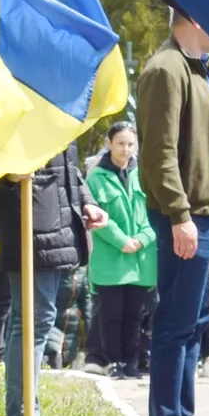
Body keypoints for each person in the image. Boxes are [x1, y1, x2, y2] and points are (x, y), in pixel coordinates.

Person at [137, 9, 209, 416]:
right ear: (195, 18)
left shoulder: (198, 67)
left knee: (195, 322)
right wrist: (179, 215)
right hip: (187, 214)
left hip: (207, 211)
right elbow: (158, 153)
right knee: (175, 321)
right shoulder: (166, 69)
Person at [0, 143, 107, 416]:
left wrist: (86, 201)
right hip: (29, 216)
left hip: (49, 218)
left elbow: (67, 168)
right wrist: (9, 173)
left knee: (36, 320)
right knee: (31, 321)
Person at [86, 121, 156, 378]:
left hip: (141, 259)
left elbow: (154, 213)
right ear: (109, 144)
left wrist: (141, 239)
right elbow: (95, 215)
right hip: (110, 259)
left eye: (130, 144)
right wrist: (121, 241)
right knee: (111, 315)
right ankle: (112, 362)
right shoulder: (95, 177)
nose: (125, 149)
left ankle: (130, 362)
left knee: (135, 316)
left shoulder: (145, 174)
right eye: (120, 144)